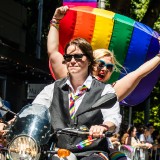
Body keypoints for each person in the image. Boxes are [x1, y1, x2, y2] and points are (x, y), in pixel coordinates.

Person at [33, 33, 123, 159]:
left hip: (91, 152)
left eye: (78, 56)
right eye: (68, 57)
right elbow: (36, 109)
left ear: (90, 60)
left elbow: (113, 117)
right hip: (59, 152)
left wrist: (103, 126)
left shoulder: (105, 90)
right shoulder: (53, 88)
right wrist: (15, 121)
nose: (73, 61)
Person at [47, 6, 160, 102]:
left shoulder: (109, 93)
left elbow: (138, 74)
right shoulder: (67, 80)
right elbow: (53, 52)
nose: (105, 69)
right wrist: (55, 20)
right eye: (101, 64)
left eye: (110, 68)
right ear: (89, 63)